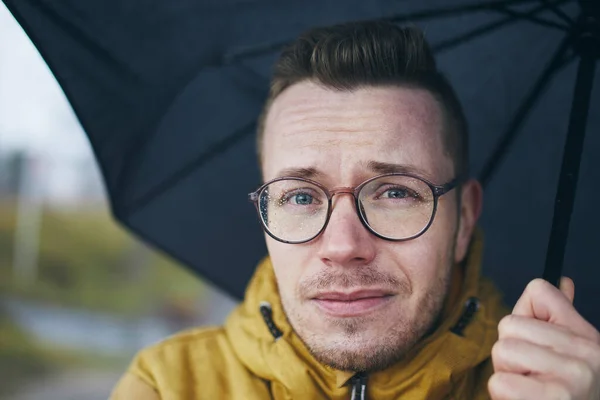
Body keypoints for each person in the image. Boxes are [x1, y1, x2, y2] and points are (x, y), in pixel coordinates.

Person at [110, 20, 600, 400]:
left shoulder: (560, 389)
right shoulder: (169, 386)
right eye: (300, 197)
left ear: (465, 218)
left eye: (395, 192)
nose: (343, 247)